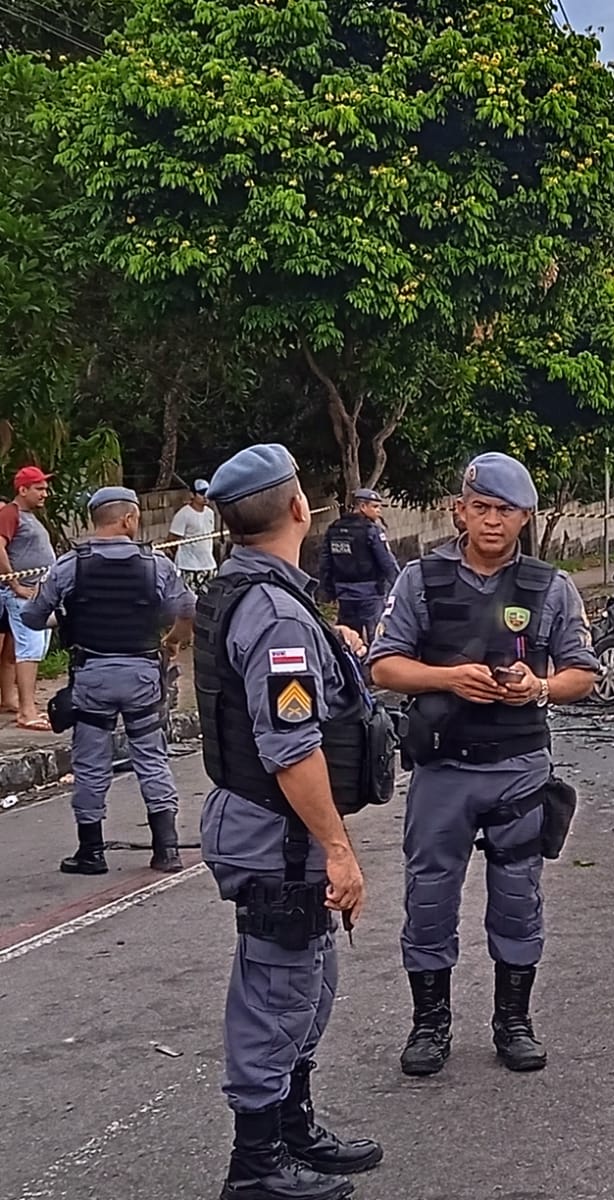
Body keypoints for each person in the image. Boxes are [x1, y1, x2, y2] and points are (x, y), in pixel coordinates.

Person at [194, 444, 393, 1200]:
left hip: (274, 829)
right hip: (277, 835)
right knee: (276, 990)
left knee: (308, 979)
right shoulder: (275, 612)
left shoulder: (258, 591)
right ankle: (256, 1165)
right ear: (300, 508)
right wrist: (339, 850)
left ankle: (293, 1127)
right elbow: (291, 747)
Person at [370, 453, 598, 1078]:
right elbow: (384, 665)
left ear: (525, 517)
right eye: (481, 508)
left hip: (518, 765)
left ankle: (513, 1020)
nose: (492, 521)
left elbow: (583, 672)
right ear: (459, 509)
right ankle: (430, 1024)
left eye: (505, 511)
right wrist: (447, 678)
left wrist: (539, 687)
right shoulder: (420, 580)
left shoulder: (550, 586)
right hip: (442, 769)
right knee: (429, 897)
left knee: (518, 896)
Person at [22, 488, 195, 875]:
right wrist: (172, 640)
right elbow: (187, 609)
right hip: (142, 675)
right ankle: (166, 850)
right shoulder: (155, 564)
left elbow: (33, 617)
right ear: (129, 519)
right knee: (152, 758)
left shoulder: (70, 565)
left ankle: (91, 852)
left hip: (93, 677)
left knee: (90, 764)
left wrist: (67, 617)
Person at [0, 466, 56, 731]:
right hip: (24, 593)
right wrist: (15, 583)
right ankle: (27, 711)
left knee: (18, 650)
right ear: (23, 490)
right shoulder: (10, 513)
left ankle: (14, 701)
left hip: (37, 592)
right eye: (39, 488)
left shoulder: (28, 516)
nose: (45, 493)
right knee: (29, 650)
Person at [316, 488, 400, 646]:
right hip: (370, 593)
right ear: (362, 507)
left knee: (348, 640)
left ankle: (352, 667)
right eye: (375, 507)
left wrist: (328, 591)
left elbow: (325, 563)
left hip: (344, 594)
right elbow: (386, 562)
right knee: (377, 638)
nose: (379, 511)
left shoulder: (334, 529)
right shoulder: (371, 530)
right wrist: (400, 588)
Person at [169, 478, 219, 591]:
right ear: (192, 494)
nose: (205, 496)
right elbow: (172, 540)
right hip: (189, 566)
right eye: (201, 493)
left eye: (207, 492)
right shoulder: (183, 514)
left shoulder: (210, 513)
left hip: (208, 565)